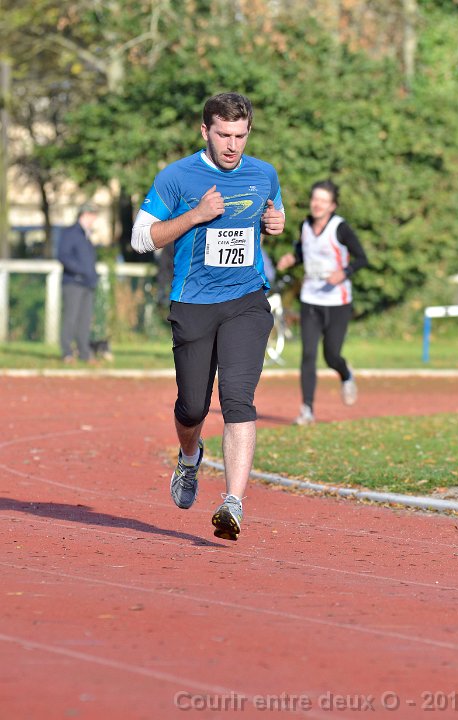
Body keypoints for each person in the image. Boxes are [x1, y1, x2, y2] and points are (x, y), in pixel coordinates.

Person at [131, 92, 285, 540]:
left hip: (246, 301)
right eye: (223, 135)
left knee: (238, 398)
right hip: (193, 303)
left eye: (240, 135)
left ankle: (233, 503)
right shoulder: (177, 176)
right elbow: (141, 238)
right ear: (205, 131)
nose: (232, 145)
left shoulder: (263, 174)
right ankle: (189, 457)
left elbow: (273, 212)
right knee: (193, 406)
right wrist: (196, 215)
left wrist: (275, 223)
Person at [277, 180, 368, 425]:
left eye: (323, 201)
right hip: (311, 299)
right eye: (315, 199)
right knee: (308, 353)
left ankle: (345, 374)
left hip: (338, 301)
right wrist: (292, 258)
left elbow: (362, 258)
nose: (317, 204)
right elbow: (303, 251)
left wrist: (344, 273)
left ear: (332, 206)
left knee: (331, 355)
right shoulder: (305, 225)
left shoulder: (340, 228)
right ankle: (307, 409)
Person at [58, 203, 99, 363]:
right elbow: (63, 256)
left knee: (85, 320)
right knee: (71, 318)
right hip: (73, 282)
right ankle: (67, 352)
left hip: (87, 283)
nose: (94, 219)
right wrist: (80, 271)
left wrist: (91, 275)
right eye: (93, 215)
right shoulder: (71, 233)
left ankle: (84, 353)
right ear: (85, 214)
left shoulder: (86, 235)